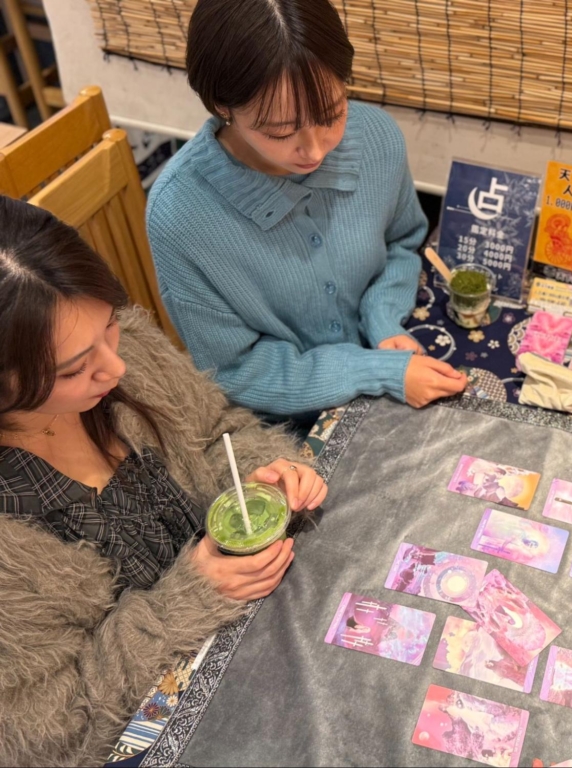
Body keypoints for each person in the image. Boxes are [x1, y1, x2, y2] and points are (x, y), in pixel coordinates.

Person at [0, 197, 328, 767]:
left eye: (110, 324)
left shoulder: (123, 352)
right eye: (74, 368)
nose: (116, 367)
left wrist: (262, 474)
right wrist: (187, 600)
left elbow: (218, 428)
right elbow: (50, 737)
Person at [146, 0, 466, 426]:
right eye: (280, 131)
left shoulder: (376, 138)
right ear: (223, 106)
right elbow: (236, 369)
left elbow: (402, 242)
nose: (315, 150)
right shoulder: (179, 214)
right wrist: (372, 370)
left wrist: (382, 317)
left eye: (332, 114)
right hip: (280, 427)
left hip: (394, 363)